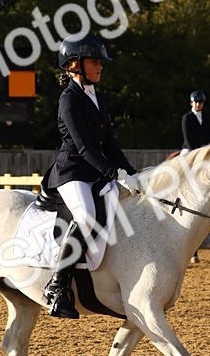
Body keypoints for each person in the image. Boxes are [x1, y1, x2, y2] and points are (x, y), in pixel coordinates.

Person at [42, 34, 141, 319]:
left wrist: (133, 175)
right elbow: (84, 147)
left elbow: (109, 144)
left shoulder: (97, 98)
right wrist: (115, 173)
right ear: (75, 64)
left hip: (96, 172)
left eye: (100, 62)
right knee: (85, 215)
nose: (100, 67)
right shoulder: (68, 100)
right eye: (95, 61)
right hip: (72, 171)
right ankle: (57, 287)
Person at [181, 90, 210, 264]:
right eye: (195, 102)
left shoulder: (208, 118)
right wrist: (198, 154)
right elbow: (188, 139)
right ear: (191, 103)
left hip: (204, 152)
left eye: (200, 102)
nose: (198, 104)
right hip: (190, 151)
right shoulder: (187, 118)